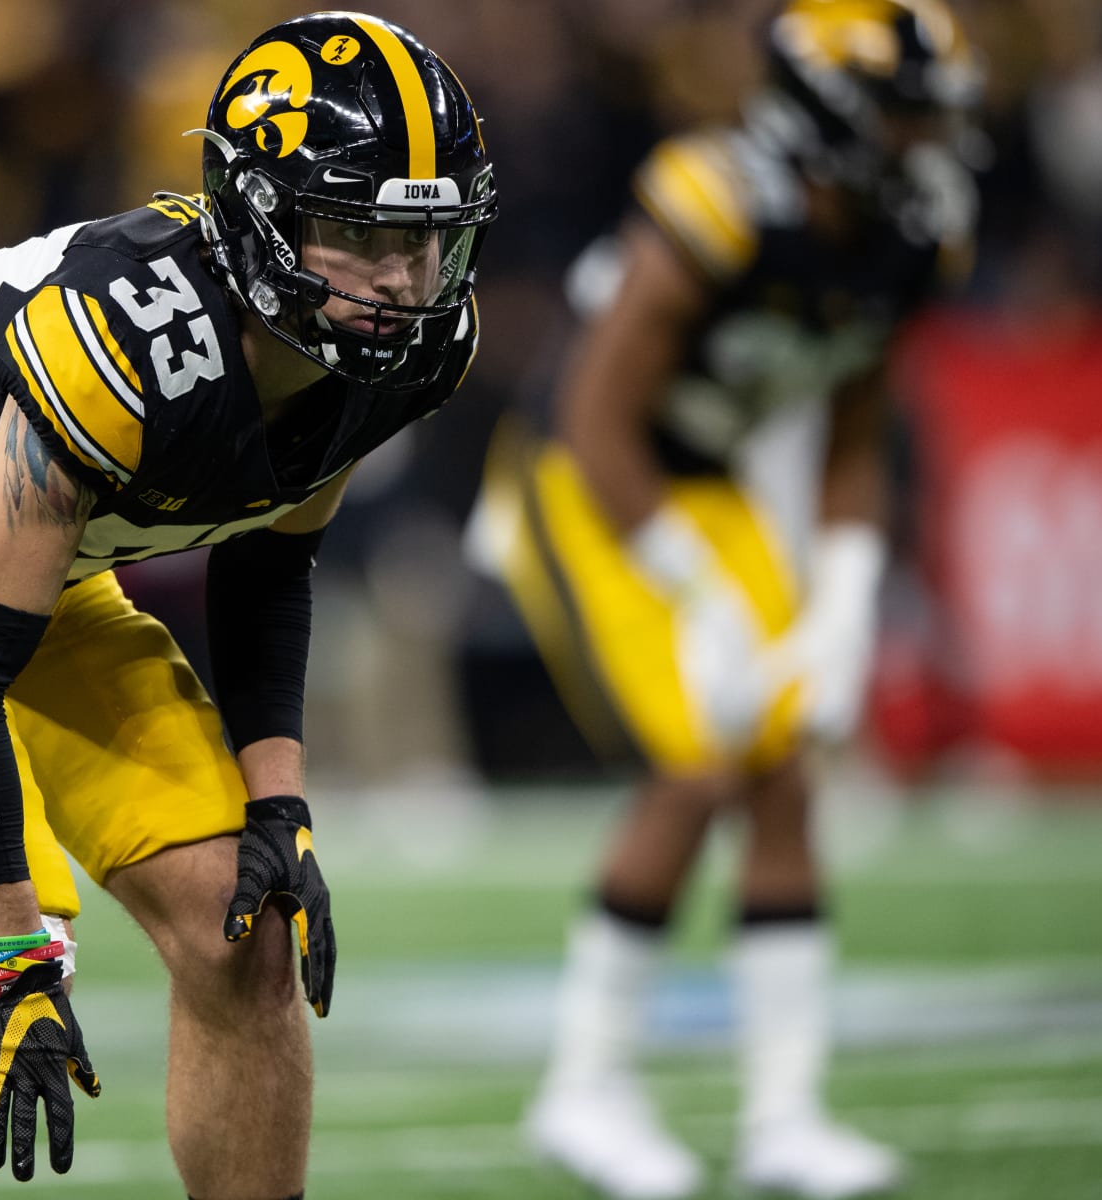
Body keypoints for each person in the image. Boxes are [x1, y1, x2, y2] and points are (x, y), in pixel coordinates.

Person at [0, 13, 496, 1198]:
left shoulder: (406, 346)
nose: (400, 281)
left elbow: (269, 560)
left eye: (424, 238)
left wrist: (277, 800)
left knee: (245, 938)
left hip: (42, 578)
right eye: (356, 232)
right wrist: (4, 944)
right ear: (257, 214)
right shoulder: (129, 343)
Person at [466, 2, 979, 1197]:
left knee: (785, 769)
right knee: (698, 761)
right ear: (831, 116)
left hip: (709, 479)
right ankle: (583, 1089)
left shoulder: (917, 228)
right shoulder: (717, 202)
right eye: (902, 117)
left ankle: (784, 1116)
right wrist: (700, 599)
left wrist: (845, 595)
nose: (923, 142)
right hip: (585, 481)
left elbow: (856, 427)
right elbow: (595, 417)